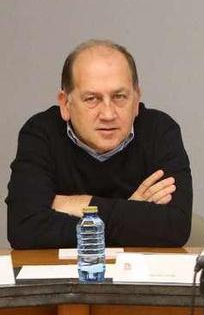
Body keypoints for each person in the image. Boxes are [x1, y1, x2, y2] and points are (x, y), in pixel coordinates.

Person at [6, 40, 193, 248]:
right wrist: (131, 216)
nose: (108, 114)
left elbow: (175, 228)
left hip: (139, 277)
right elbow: (24, 229)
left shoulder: (159, 131)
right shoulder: (41, 133)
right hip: (66, 276)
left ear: (136, 98)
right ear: (65, 104)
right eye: (92, 99)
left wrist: (80, 204)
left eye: (119, 97)